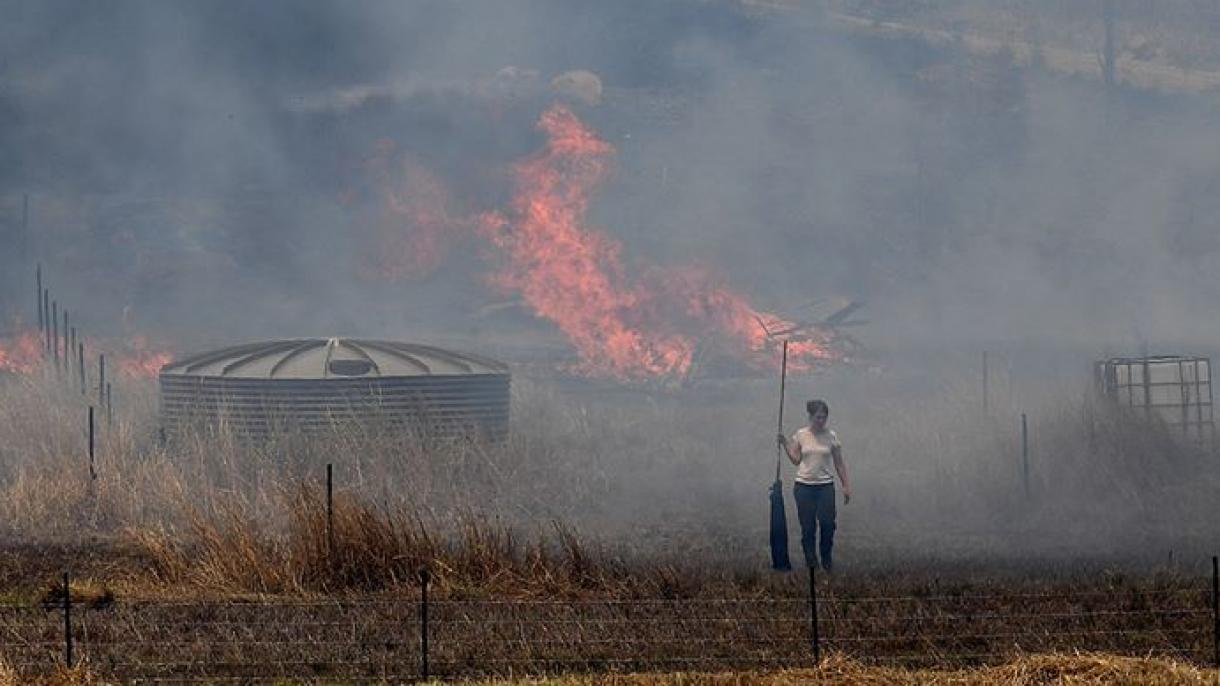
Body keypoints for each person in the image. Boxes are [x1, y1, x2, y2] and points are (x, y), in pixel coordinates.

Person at [777, 399, 851, 572]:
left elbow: (839, 463)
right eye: (818, 417)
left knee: (828, 524)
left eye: (824, 417)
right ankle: (811, 561)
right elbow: (796, 459)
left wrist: (846, 485)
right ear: (810, 416)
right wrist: (786, 443)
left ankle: (826, 559)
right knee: (808, 526)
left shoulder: (831, 436)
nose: (821, 421)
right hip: (804, 486)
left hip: (825, 486)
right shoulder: (801, 435)